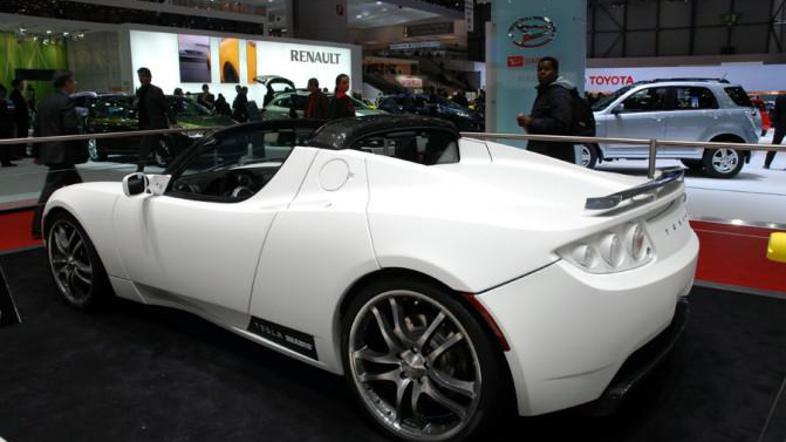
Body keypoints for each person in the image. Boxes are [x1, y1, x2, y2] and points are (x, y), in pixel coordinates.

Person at [31, 71, 86, 237]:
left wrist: (36, 152)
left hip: (52, 152)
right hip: (63, 153)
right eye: (73, 82)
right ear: (66, 83)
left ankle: (82, 218)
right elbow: (71, 128)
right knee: (52, 190)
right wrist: (80, 148)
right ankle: (37, 226)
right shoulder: (66, 101)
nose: (74, 85)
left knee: (76, 186)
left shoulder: (44, 102)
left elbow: (37, 129)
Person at [516, 56, 576, 163]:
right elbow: (544, 116)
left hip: (554, 154)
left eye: (547, 69)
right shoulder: (546, 91)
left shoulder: (559, 94)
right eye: (540, 69)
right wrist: (528, 121)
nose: (542, 72)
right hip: (545, 151)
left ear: (555, 72)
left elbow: (561, 125)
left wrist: (531, 122)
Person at [135, 67, 174, 172]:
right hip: (145, 123)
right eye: (140, 77)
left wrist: (173, 122)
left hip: (154, 124)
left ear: (149, 77)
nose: (141, 79)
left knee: (144, 146)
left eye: (143, 76)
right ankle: (171, 163)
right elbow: (138, 107)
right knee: (155, 145)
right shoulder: (140, 91)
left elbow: (166, 107)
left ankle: (139, 171)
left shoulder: (156, 91)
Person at [765, 94, 786, 169]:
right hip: (781, 124)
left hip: (781, 125)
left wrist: (776, 124)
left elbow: (776, 113)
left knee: (774, 145)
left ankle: (767, 163)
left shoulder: (780, 98)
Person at [10, 79, 29, 158]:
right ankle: (19, 152)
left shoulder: (16, 94)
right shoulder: (15, 95)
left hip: (20, 120)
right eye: (22, 84)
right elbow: (18, 108)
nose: (23, 85)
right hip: (19, 120)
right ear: (18, 85)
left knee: (21, 135)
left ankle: (21, 152)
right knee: (20, 135)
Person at [0, 85, 16, 167]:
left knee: (3, 145)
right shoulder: (3, 103)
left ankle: (5, 160)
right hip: (4, 126)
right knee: (5, 144)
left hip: (3, 126)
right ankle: (6, 160)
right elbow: (7, 115)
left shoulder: (4, 102)